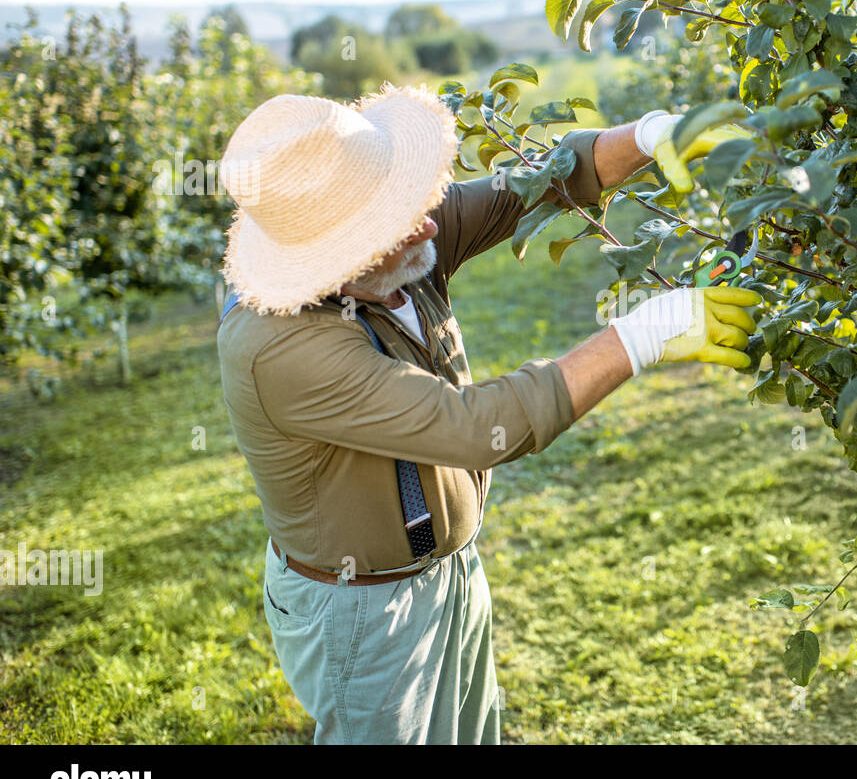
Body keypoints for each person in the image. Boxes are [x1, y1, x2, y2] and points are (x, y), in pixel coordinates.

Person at [215, 84, 761, 743]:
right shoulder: (280, 347)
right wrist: (642, 335)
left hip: (447, 569)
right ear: (336, 257)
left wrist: (653, 134)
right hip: (364, 611)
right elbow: (473, 427)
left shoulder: (395, 246)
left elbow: (526, 190)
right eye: (397, 220)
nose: (426, 223)